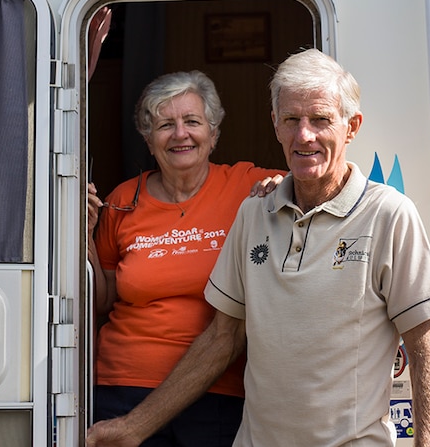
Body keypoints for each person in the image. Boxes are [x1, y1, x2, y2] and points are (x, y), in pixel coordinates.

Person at [86, 49, 430, 447]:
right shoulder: (253, 213)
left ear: (352, 127)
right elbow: (221, 339)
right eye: (291, 120)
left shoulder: (389, 214)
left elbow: (425, 351)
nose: (304, 135)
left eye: (320, 120)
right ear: (275, 125)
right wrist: (135, 427)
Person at [86, 70, 285, 447]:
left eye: (192, 121)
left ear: (213, 133)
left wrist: (285, 190)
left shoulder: (249, 186)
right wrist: (87, 240)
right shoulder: (124, 199)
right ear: (148, 138)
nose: (180, 134)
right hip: (121, 385)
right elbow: (104, 299)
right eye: (165, 125)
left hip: (217, 389)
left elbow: (319, 185)